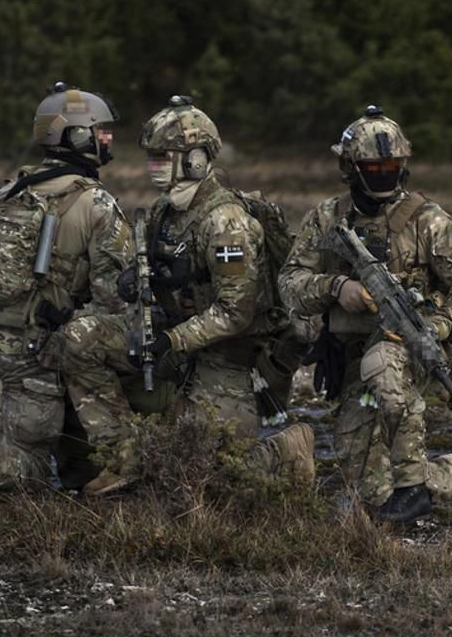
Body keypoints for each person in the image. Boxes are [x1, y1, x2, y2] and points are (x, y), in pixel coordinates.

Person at [278, 105, 452, 523]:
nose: (384, 174)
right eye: (373, 166)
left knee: (385, 363)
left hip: (411, 352)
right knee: (369, 491)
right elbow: (290, 282)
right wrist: (337, 288)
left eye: (392, 165)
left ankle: (413, 490)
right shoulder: (326, 219)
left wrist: (438, 324)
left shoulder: (429, 220)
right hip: (350, 358)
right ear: (350, 168)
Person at [0, 83, 161, 490]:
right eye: (100, 129)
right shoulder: (95, 202)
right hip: (37, 347)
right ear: (77, 135)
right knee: (28, 467)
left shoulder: (9, 191)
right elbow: (116, 297)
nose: (108, 138)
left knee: (31, 428)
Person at [80, 95, 314, 492]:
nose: (153, 167)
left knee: (206, 478)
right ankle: (123, 457)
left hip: (225, 359)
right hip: (177, 347)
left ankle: (287, 451)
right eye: (151, 158)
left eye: (162, 157)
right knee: (79, 340)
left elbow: (234, 312)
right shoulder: (163, 211)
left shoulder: (226, 222)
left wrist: (173, 340)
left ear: (195, 160)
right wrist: (135, 281)